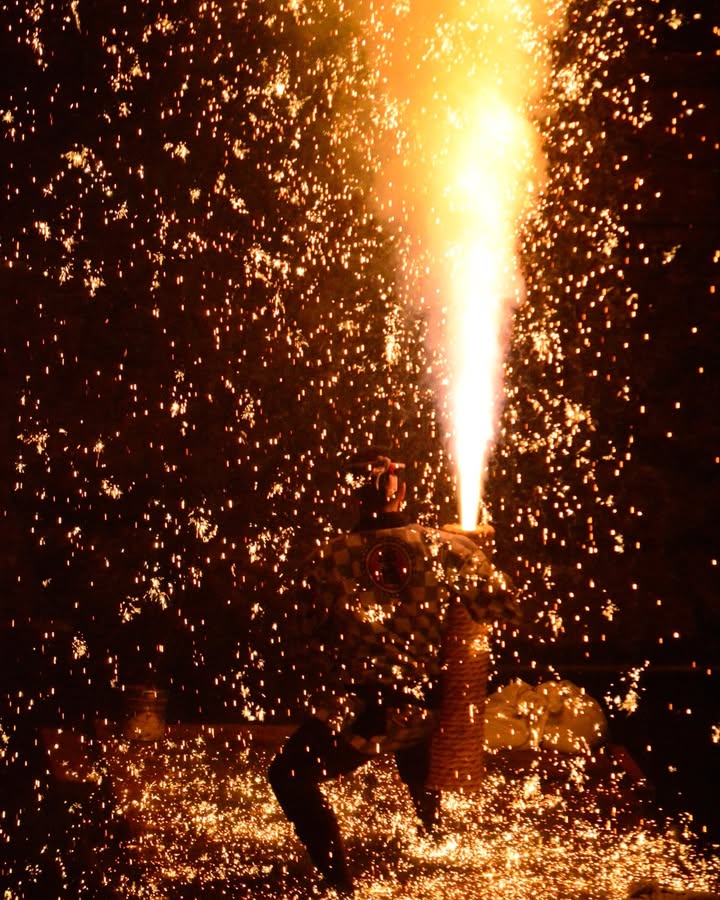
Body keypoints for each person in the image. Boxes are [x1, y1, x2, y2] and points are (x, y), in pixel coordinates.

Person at [268, 449, 520, 896]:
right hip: (425, 707)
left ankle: (340, 885)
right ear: (401, 489)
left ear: (351, 495)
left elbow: (304, 632)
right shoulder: (447, 548)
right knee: (414, 746)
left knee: (288, 776)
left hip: (367, 707)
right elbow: (502, 608)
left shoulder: (328, 558)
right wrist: (481, 550)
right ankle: (436, 842)